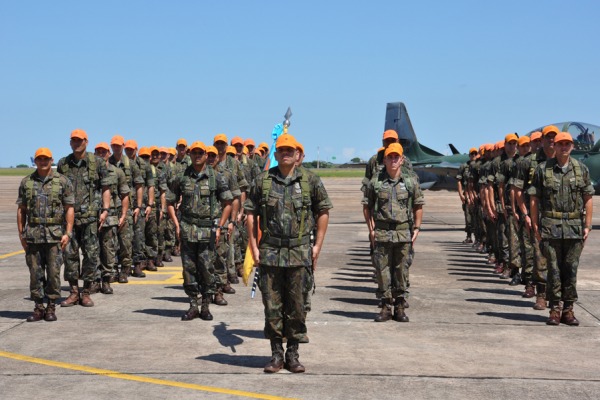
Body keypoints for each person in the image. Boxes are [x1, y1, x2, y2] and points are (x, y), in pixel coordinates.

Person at [245, 133, 332, 373]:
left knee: (297, 306)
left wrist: (317, 246)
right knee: (272, 306)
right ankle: (276, 355)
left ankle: (293, 354)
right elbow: (250, 214)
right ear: (275, 155)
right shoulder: (262, 181)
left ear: (296, 155)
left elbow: (323, 212)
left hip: (299, 251)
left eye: (289, 150)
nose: (285, 153)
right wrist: (253, 247)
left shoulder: (310, 181)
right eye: (281, 150)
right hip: (270, 252)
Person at [529, 131, 594, 326]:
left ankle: (569, 310)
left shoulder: (581, 169)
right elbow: (534, 198)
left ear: (572, 146)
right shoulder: (543, 169)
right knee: (553, 269)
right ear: (554, 147)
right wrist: (534, 224)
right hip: (550, 227)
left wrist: (588, 226)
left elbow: (588, 198)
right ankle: (555, 310)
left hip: (574, 228)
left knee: (571, 270)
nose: (564, 147)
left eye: (567, 144)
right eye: (560, 144)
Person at [167, 141, 233, 321]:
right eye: (194, 152)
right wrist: (176, 224)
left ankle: (205, 305)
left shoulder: (216, 178)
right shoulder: (181, 177)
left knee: (207, 268)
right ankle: (193, 305)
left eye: (200, 153)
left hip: (207, 230)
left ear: (206, 155)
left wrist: (220, 225)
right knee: (189, 269)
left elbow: (228, 203)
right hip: (188, 229)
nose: (197, 155)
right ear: (189, 154)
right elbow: (169, 201)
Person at [363, 143, 424, 323]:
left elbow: (418, 205)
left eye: (396, 157)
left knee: (401, 270)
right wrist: (371, 229)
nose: (393, 160)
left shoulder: (410, 181)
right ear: (385, 160)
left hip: (403, 232)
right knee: (382, 271)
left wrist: (417, 228)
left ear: (402, 159)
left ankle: (399, 305)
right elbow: (367, 206)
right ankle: (385, 306)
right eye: (390, 157)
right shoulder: (376, 181)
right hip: (382, 232)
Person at [17, 148, 74, 321]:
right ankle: (38, 307)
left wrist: (68, 233)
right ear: (35, 161)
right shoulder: (27, 182)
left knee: (54, 272)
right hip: (33, 235)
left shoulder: (63, 181)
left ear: (51, 160)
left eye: (46, 159)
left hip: (54, 234)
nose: (43, 161)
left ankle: (51, 307)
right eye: (39, 159)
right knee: (35, 273)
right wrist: (21, 234)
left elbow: (69, 208)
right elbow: (22, 210)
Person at [57, 129, 112, 307]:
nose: (77, 143)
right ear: (70, 143)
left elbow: (105, 188)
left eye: (79, 140)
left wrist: (105, 210)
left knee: (91, 255)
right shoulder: (63, 164)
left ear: (86, 142)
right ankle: (74, 292)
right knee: (70, 256)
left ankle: (86, 292)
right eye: (73, 140)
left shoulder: (97, 163)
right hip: (69, 219)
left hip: (90, 218)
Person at [95, 142, 130, 292]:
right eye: (98, 152)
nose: (102, 154)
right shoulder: (91, 172)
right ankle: (94, 280)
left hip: (111, 216)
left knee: (108, 249)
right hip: (92, 215)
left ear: (109, 154)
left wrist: (123, 215)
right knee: (92, 250)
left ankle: (106, 279)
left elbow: (125, 194)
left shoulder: (117, 172)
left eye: (104, 152)